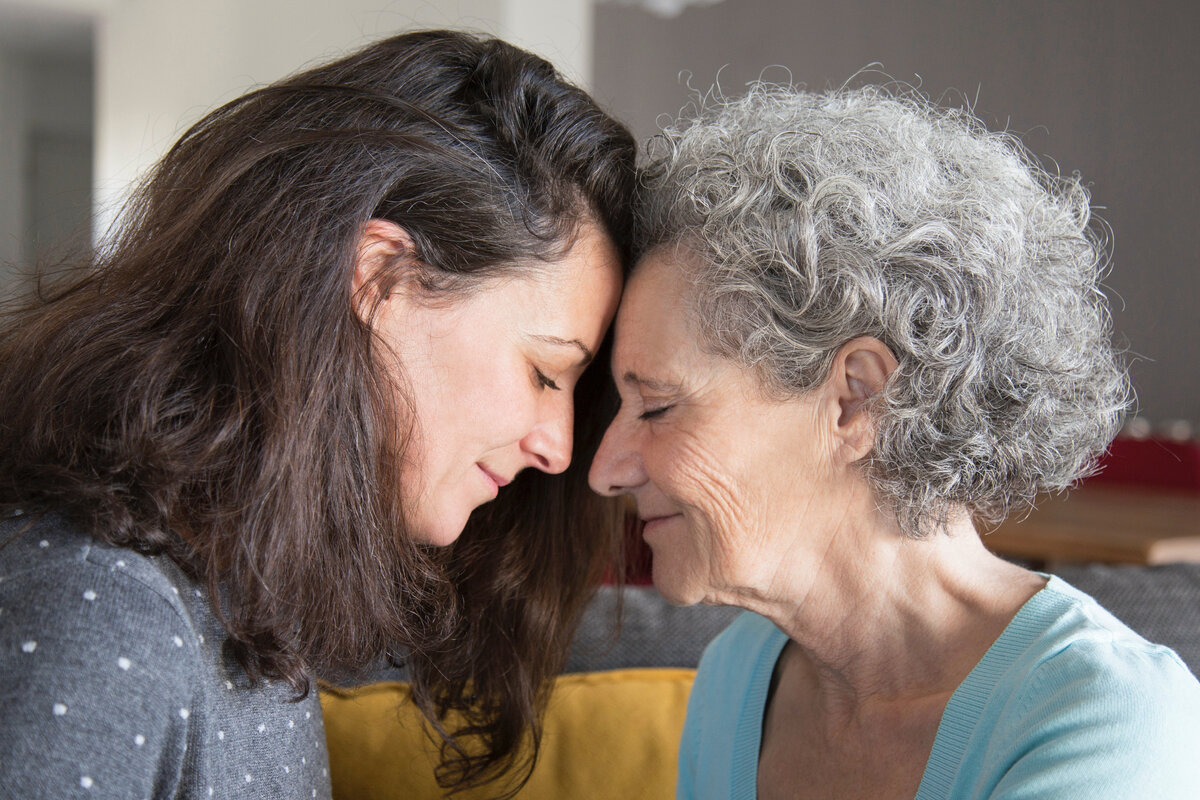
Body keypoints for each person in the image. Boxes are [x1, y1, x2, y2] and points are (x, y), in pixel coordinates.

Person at [0, 29, 635, 799]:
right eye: (543, 371)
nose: (559, 448)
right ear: (379, 278)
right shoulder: (102, 612)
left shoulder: (245, 590)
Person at [589, 84, 1200, 799]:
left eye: (657, 407)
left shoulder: (1107, 725)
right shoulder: (738, 679)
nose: (606, 468)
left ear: (856, 399)